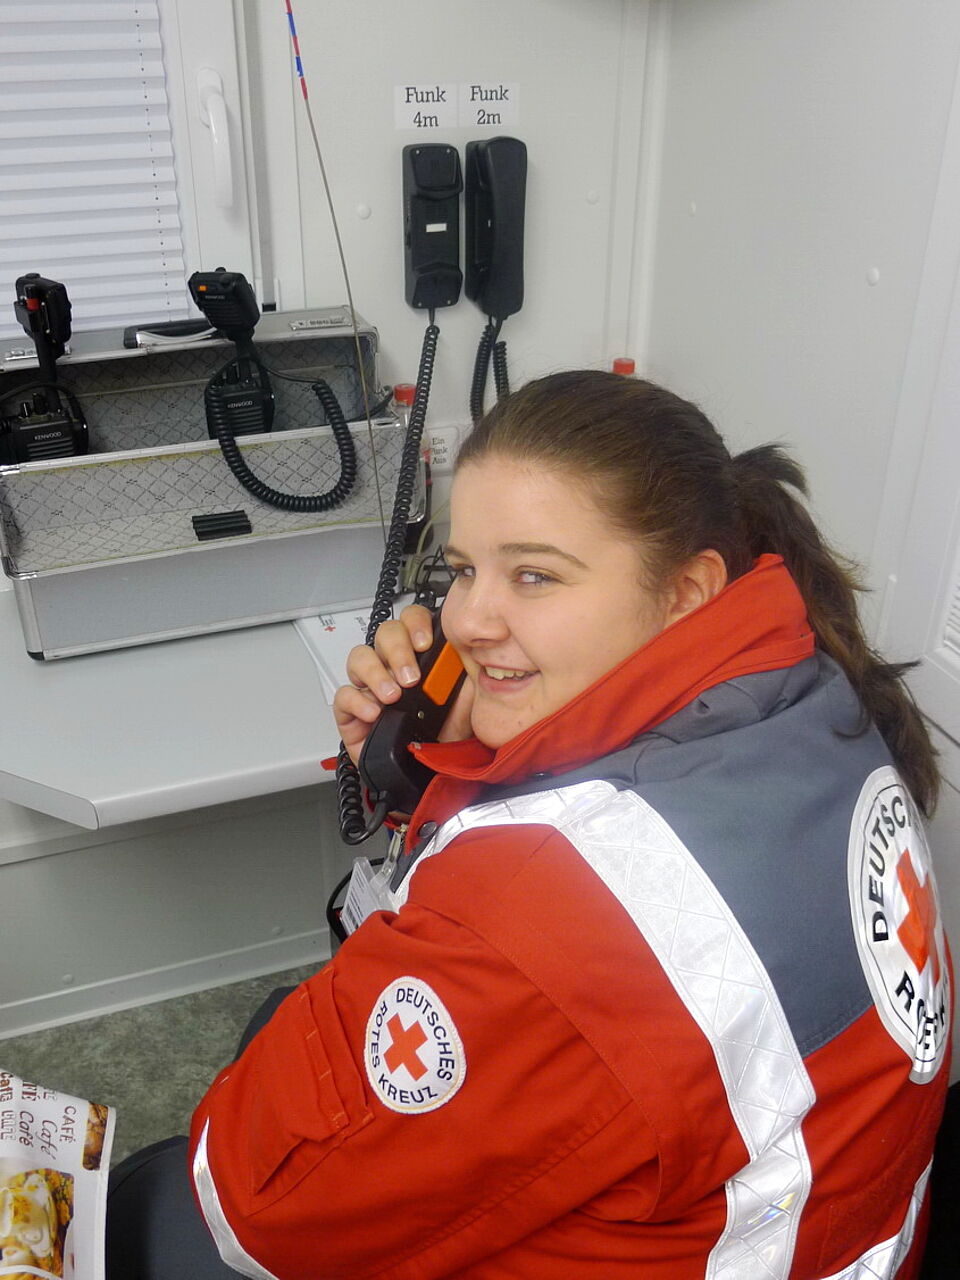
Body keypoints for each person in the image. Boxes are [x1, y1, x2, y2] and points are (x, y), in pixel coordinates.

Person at [107, 370, 952, 1279]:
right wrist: (453, 763)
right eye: (464, 570)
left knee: (166, 1195)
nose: (467, 621)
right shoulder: (809, 694)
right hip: (824, 1226)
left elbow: (251, 1204)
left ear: (686, 592)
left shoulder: (547, 913)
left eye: (535, 575)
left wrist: (459, 806)